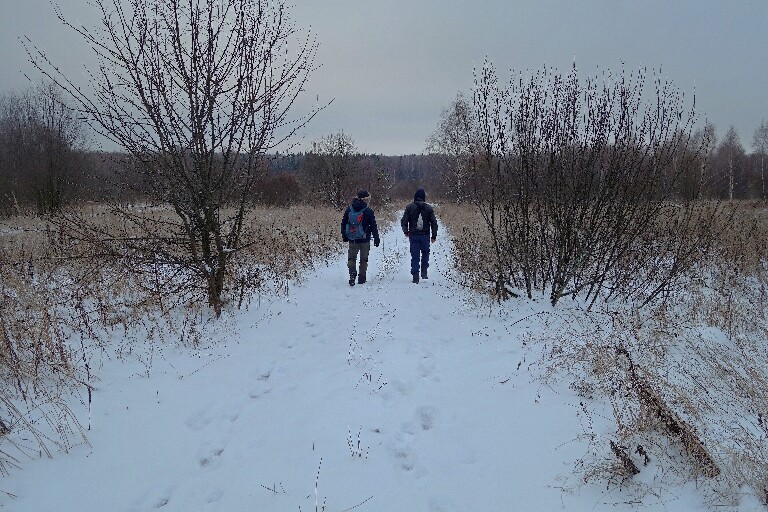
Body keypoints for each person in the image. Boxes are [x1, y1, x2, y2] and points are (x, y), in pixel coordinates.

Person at [341, 190, 380, 286]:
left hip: (352, 238)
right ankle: (362, 278)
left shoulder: (349, 209)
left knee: (351, 258)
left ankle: (352, 274)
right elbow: (373, 226)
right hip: (365, 239)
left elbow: (343, 223)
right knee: (363, 260)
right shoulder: (369, 211)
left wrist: (344, 235)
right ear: (365, 199)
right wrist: (376, 238)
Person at [401, 188, 438, 284]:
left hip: (413, 235)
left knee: (415, 255)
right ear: (423, 198)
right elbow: (434, 223)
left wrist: (406, 231)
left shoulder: (409, 207)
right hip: (425, 235)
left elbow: (404, 221)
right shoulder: (429, 208)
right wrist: (434, 236)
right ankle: (424, 272)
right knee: (425, 253)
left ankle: (415, 275)